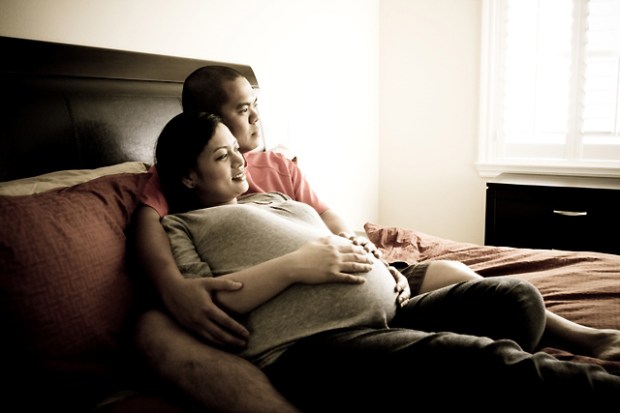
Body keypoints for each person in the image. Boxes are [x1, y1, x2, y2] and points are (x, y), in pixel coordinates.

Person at [133, 66, 620, 411]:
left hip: (384, 306)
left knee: (517, 300)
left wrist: (370, 256)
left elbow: (328, 221)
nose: (242, 154)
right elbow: (197, 294)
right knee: (483, 362)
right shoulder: (178, 219)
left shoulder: (271, 184)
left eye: (252, 112)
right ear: (189, 171)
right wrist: (296, 266)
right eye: (223, 153)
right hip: (315, 344)